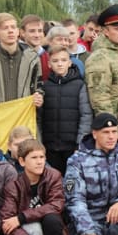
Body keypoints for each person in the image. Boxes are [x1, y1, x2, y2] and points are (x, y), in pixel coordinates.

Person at [0, 139, 64, 235]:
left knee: (53, 219)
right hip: (26, 230)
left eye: (42, 157)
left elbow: (56, 204)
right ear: (22, 161)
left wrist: (21, 217)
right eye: (34, 158)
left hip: (46, 226)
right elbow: (6, 220)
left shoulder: (53, 176)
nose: (39, 161)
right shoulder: (13, 185)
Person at [85, 4, 118, 150]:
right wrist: (111, 132)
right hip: (116, 135)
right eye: (117, 28)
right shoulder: (99, 58)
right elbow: (100, 99)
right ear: (106, 31)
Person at [40, 45, 92, 175]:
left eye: (63, 60)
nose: (60, 64)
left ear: (69, 63)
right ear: (49, 64)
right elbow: (39, 118)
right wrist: (40, 144)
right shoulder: (44, 87)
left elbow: (86, 115)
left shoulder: (79, 85)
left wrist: (80, 144)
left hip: (72, 146)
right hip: (50, 147)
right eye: (55, 61)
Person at [20, 14, 50, 81]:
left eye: (40, 31)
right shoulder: (17, 56)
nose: (37, 35)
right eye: (32, 31)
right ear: (22, 33)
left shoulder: (48, 58)